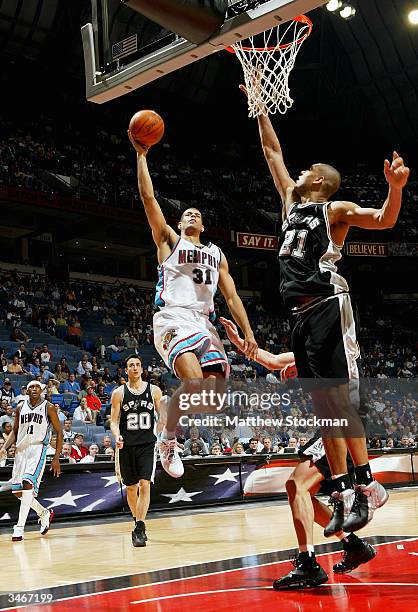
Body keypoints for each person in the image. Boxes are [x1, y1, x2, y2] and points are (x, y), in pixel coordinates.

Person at [246, 95, 408, 542]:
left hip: (327, 306)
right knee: (323, 410)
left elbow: (382, 220)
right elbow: (273, 152)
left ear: (317, 180)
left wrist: (394, 187)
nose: (294, 175)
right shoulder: (288, 202)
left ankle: (367, 485)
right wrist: (260, 105)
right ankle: (340, 495)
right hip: (298, 316)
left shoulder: (332, 210)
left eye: (304, 173)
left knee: (338, 402)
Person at [128, 131, 258, 479]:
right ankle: (167, 439)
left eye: (196, 214)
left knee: (210, 398)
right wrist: (142, 156)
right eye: (186, 213)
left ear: (203, 224)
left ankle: (169, 419)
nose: (191, 215)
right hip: (172, 317)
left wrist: (248, 333)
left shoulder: (216, 254)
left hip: (205, 323)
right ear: (181, 222)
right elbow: (148, 197)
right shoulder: (169, 240)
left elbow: (230, 297)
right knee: (196, 383)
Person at [221, 317, 377, 589]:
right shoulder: (310, 348)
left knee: (297, 484)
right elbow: (269, 360)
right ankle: (351, 545)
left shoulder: (337, 346)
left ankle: (310, 562)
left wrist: (301, 366)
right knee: (297, 488)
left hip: (347, 420)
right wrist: (239, 343)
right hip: (332, 424)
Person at [110, 354, 162, 547]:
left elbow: (162, 416)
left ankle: (139, 528)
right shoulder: (119, 393)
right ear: (126, 370)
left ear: (142, 369)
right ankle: (137, 521)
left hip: (147, 445)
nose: (134, 368)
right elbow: (114, 421)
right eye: (131, 365)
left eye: (137, 365)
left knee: (145, 485)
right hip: (126, 445)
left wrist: (164, 434)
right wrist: (117, 435)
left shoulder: (154, 390)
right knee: (131, 488)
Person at [0, 381, 62, 541]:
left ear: (42, 390)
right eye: (31, 387)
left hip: (37, 448)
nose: (34, 389)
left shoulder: (48, 407)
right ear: (27, 391)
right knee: (19, 492)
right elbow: (14, 431)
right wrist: (4, 448)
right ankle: (43, 512)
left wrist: (56, 457)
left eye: (37, 387)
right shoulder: (20, 407)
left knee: (28, 482)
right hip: (21, 451)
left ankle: (19, 527)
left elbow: (59, 433)